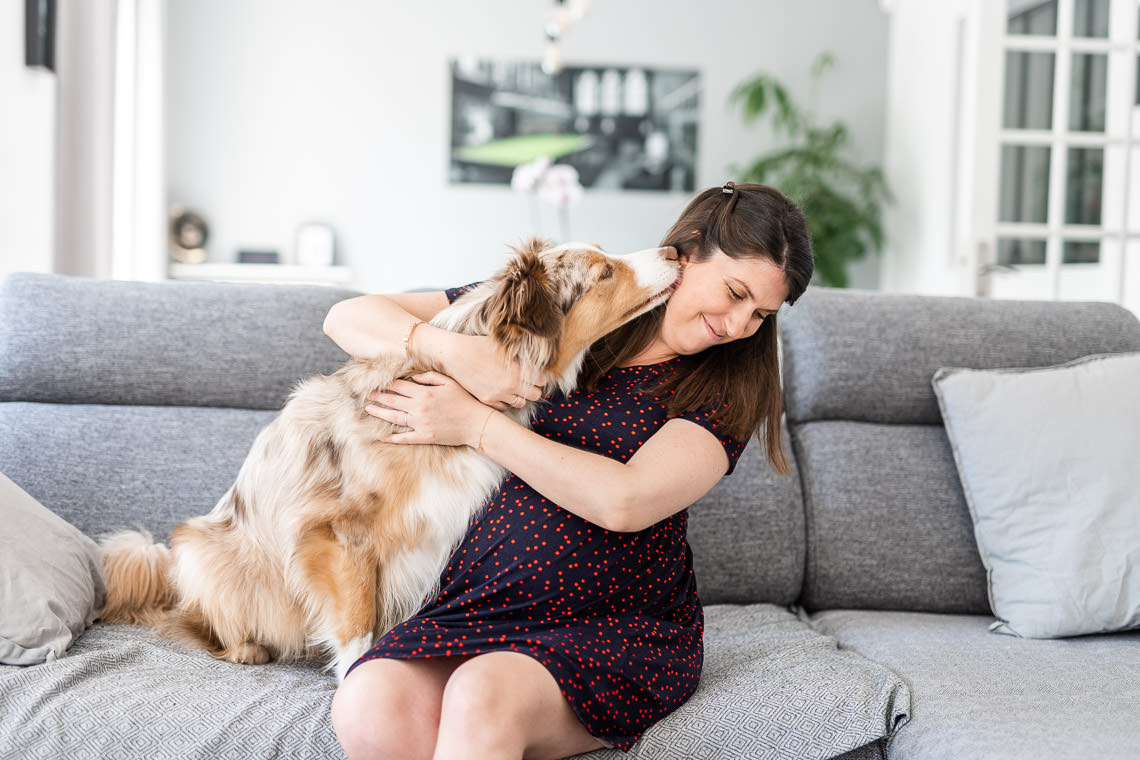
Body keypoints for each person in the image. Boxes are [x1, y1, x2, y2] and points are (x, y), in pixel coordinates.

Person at [326, 182, 814, 760]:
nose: (737, 326)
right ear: (687, 249)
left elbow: (626, 502)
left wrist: (478, 425)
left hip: (615, 625)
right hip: (480, 606)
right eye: (734, 293)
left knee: (483, 695)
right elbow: (347, 317)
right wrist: (454, 352)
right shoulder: (567, 299)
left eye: (759, 314)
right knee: (369, 702)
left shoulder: (726, 390)